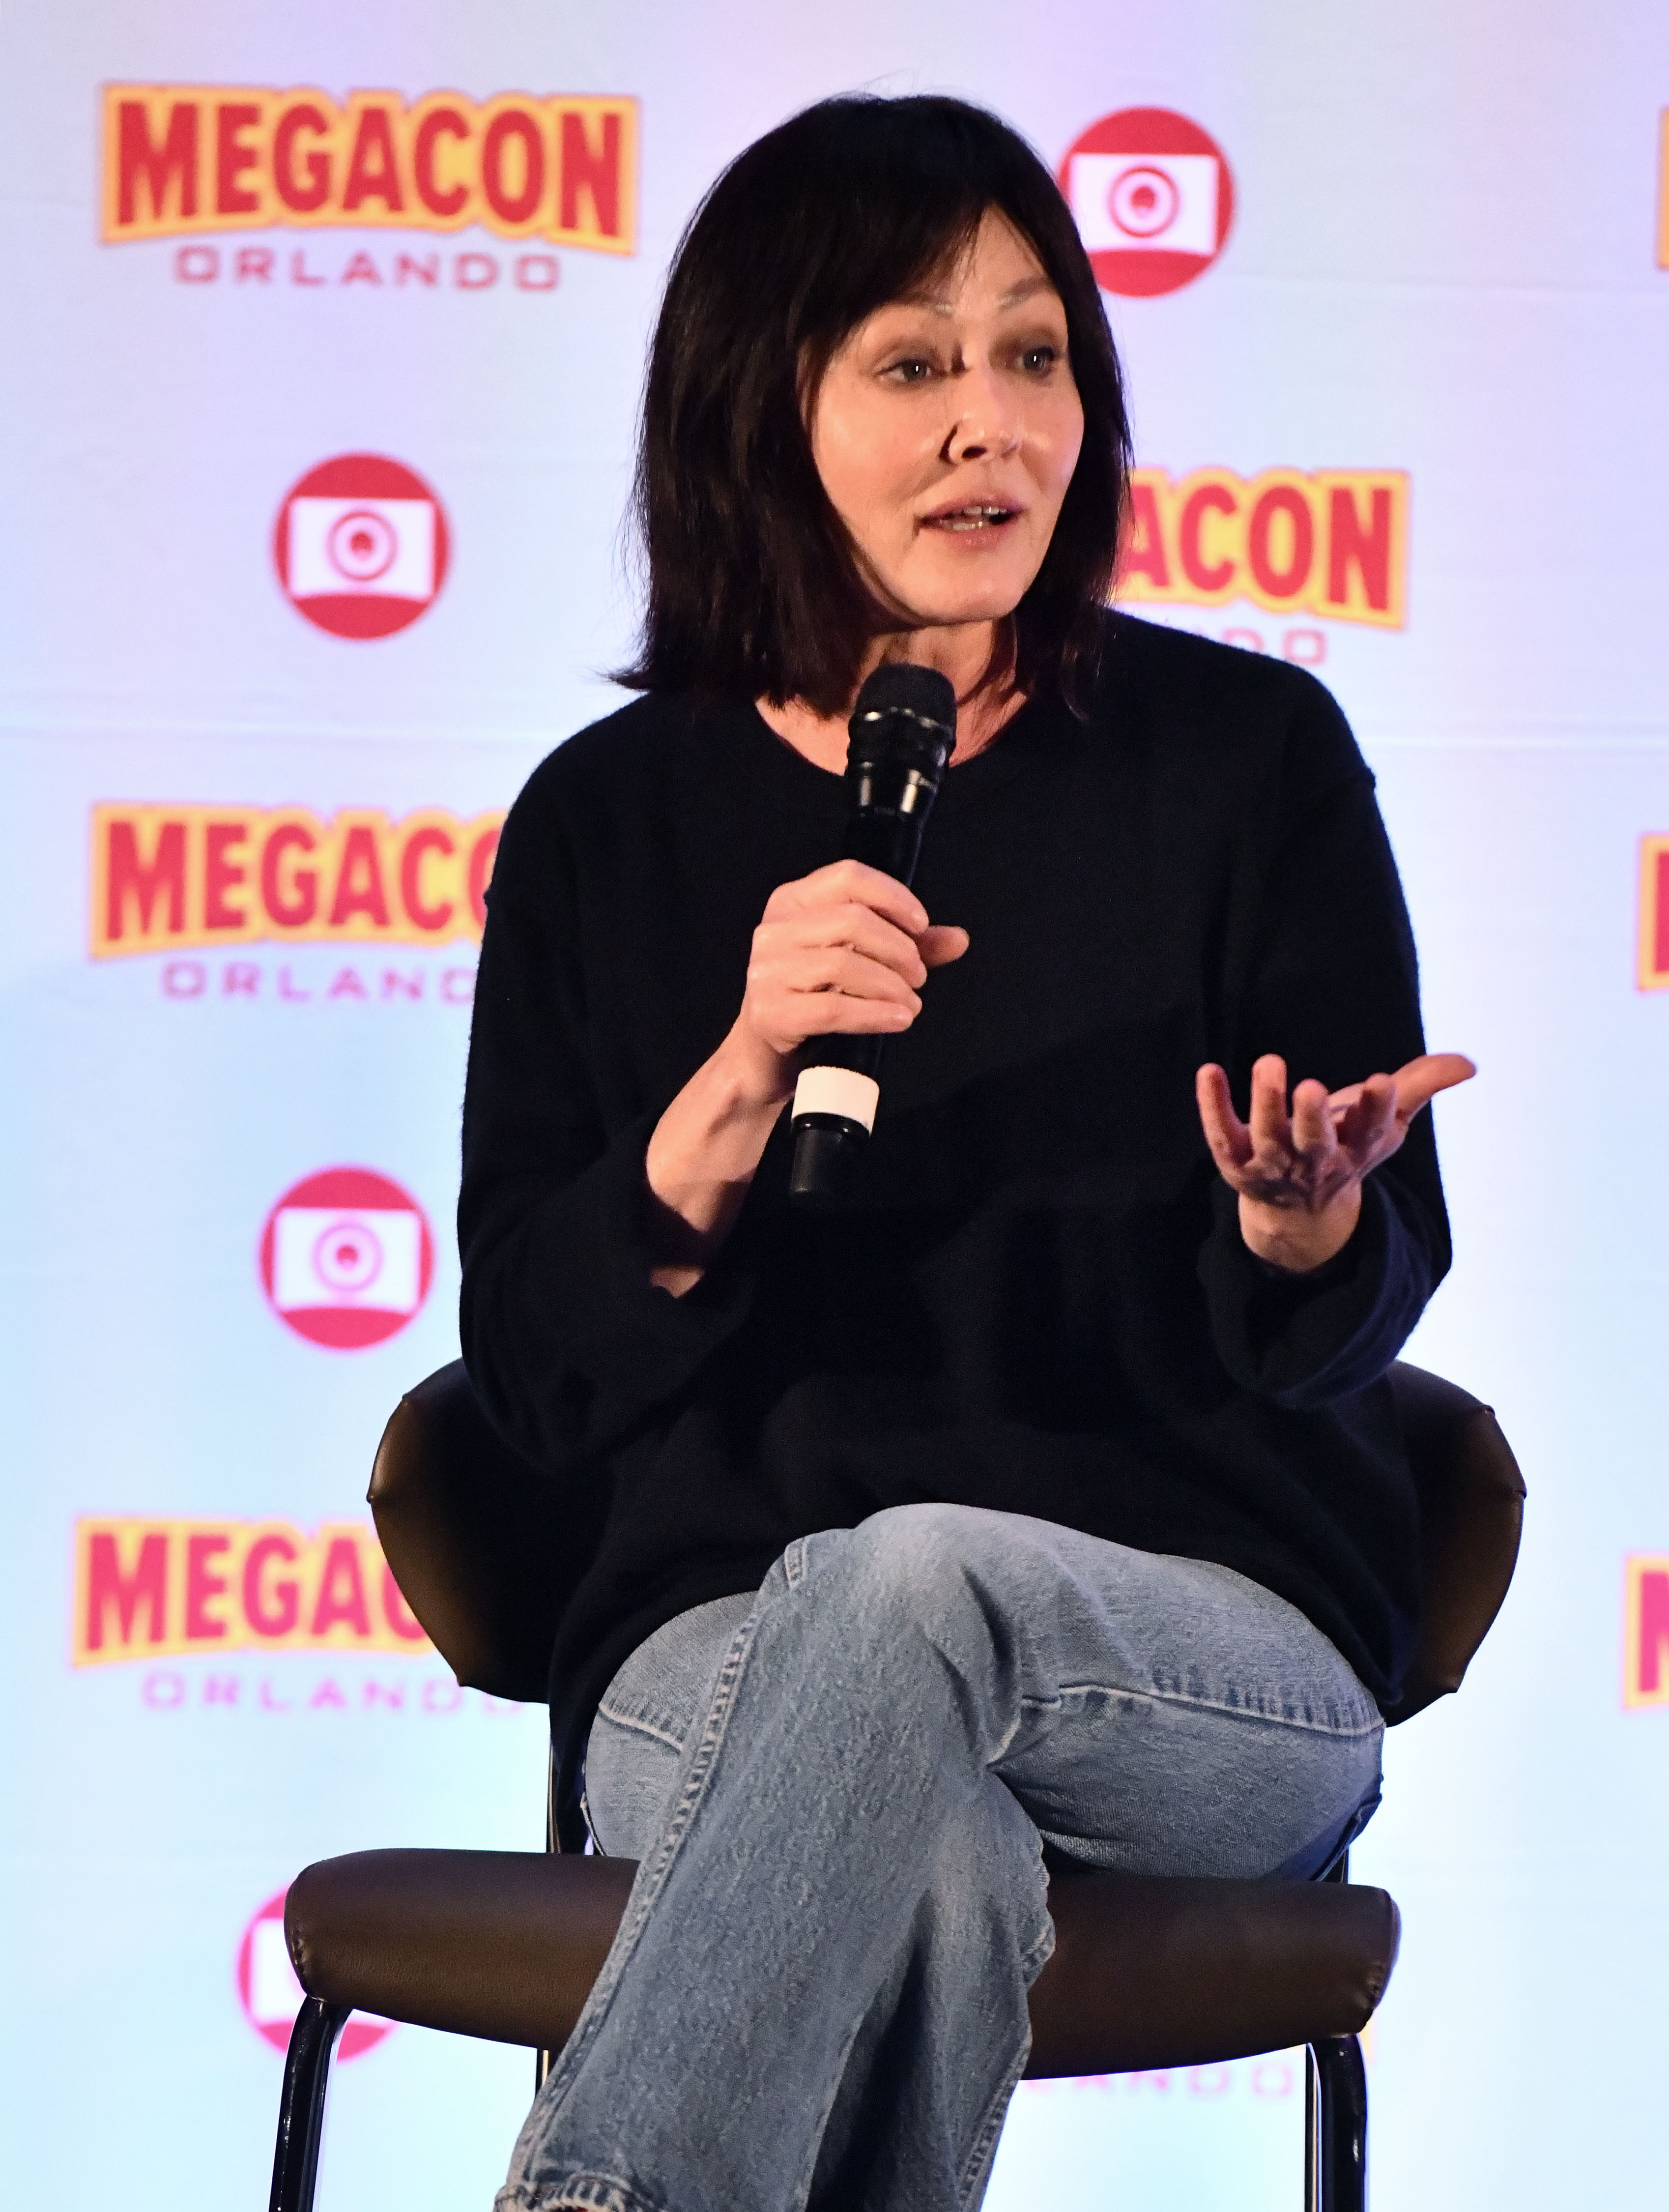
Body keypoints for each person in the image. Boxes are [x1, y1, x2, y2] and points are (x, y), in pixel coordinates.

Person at [460, 92, 1473, 2212]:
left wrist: (1306, 1226)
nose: (991, 423)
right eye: (916, 364)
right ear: (766, 403)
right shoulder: (605, 823)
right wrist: (739, 1076)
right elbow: (539, 1382)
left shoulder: (1246, 763)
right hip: (714, 1649)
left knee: (918, 1590)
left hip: (1199, 1647)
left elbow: (1360, 1306)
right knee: (916, 1827)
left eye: (1036, 359)